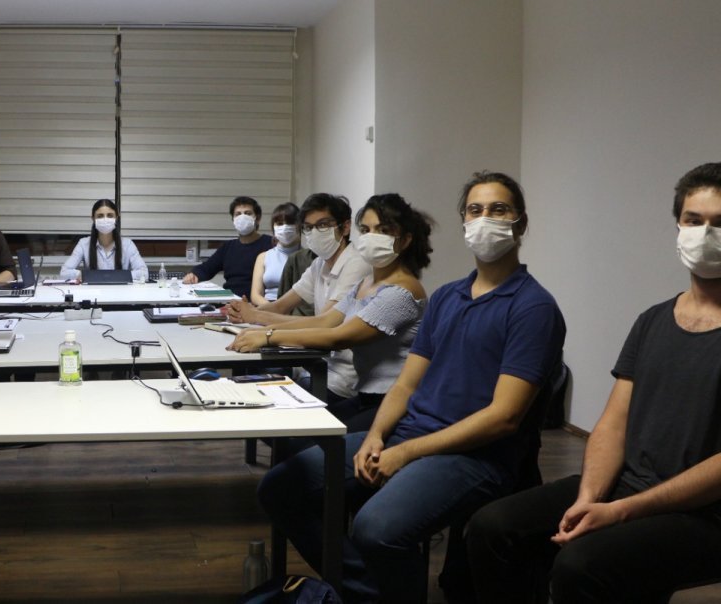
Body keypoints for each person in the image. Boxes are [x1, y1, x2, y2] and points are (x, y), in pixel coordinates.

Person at [257, 171, 566, 603]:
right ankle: (365, 592)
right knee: (280, 488)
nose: (485, 219)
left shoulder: (533, 307)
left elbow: (504, 417)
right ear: (463, 221)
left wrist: (405, 453)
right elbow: (405, 385)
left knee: (377, 527)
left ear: (521, 222)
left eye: (499, 210)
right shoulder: (448, 297)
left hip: (475, 456)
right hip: (408, 433)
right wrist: (378, 435)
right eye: (475, 210)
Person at [465, 162, 721, 604]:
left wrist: (621, 511)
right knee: (492, 528)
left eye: (719, 223)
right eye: (694, 220)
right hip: (629, 485)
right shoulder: (653, 320)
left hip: (706, 513)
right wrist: (588, 498)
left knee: (582, 565)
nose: (705, 234)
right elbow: (613, 423)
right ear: (678, 227)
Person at [229, 193, 432, 433]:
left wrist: (268, 336)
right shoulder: (366, 283)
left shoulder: (401, 291)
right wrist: (262, 329)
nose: (371, 237)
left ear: (405, 240)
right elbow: (327, 320)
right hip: (364, 394)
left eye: (383, 230)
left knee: (302, 438)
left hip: (391, 402)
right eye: (366, 230)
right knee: (290, 431)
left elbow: (338, 336)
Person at [227, 193, 372, 399]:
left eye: (323, 225)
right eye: (309, 227)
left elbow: (325, 324)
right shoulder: (320, 263)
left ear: (346, 227)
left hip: (344, 379)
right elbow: (281, 305)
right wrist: (245, 313)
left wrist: (259, 321)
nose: (315, 232)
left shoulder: (357, 264)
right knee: (246, 389)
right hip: (317, 366)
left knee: (262, 397)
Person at [183, 196, 275, 299]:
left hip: (256, 302)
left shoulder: (270, 244)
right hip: (229, 300)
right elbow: (207, 268)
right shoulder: (228, 247)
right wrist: (193, 274)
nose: (242, 217)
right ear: (233, 220)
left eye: (248, 213)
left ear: (258, 218)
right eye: (238, 214)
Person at [59, 198, 147, 282]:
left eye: (110, 215)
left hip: (120, 291)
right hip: (93, 291)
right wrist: (85, 275)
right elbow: (64, 272)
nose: (105, 219)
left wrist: (119, 276)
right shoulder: (83, 244)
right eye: (100, 216)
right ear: (93, 218)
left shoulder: (128, 244)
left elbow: (144, 273)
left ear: (116, 217)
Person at [250, 201, 302, 306]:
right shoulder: (263, 257)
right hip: (267, 307)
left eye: (290, 223)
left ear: (301, 225)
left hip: (298, 310)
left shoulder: (309, 257)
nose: (285, 227)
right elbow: (255, 295)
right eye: (280, 224)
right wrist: (273, 309)